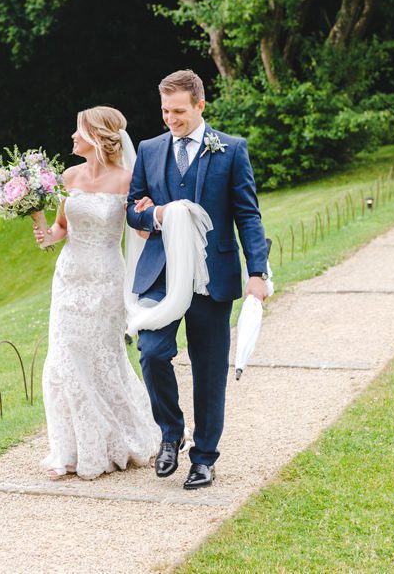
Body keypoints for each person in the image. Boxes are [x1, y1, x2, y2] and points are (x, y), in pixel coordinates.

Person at [125, 69, 272, 490]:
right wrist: (152, 213)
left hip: (214, 276)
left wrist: (257, 273)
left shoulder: (230, 149)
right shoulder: (150, 149)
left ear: (200, 106)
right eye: (165, 111)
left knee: (209, 370)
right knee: (152, 353)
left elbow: (248, 214)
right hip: (162, 274)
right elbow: (132, 207)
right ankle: (171, 433)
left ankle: (204, 457)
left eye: (179, 111)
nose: (171, 119)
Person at [32, 106, 162, 479]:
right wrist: (41, 226)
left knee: (103, 359)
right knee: (63, 357)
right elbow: (60, 230)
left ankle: (118, 437)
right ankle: (70, 451)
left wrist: (149, 212)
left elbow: (140, 232)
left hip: (105, 279)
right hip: (69, 277)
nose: (72, 137)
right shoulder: (69, 176)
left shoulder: (126, 179)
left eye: (79, 130)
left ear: (97, 137)